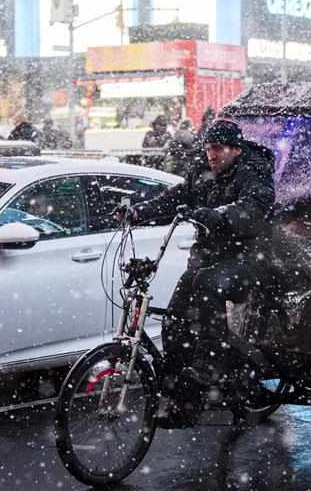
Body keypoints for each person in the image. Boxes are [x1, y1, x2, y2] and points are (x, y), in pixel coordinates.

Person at [117, 120, 276, 428]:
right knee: (176, 316)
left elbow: (253, 209)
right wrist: (139, 212)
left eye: (217, 149)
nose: (211, 156)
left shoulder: (253, 172)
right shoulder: (203, 174)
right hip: (209, 258)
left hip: (249, 260)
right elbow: (175, 197)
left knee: (206, 284)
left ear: (235, 149)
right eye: (207, 149)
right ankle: (184, 397)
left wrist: (220, 215)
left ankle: (210, 364)